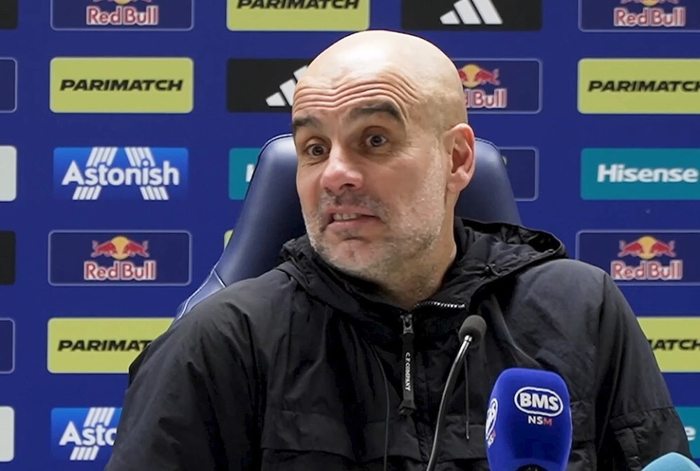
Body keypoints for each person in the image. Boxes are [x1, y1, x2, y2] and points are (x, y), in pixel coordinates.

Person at [104, 30, 691, 470]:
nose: (335, 174)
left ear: (457, 160)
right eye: (313, 148)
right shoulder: (219, 341)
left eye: (375, 139)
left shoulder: (582, 311)